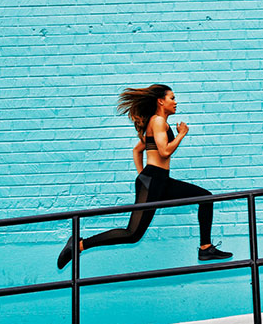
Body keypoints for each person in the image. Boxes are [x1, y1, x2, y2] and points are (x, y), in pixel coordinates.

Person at [57, 84, 232, 269]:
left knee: (206, 198)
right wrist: (181, 135)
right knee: (132, 234)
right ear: (160, 101)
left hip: (159, 180)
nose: (175, 102)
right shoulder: (157, 121)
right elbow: (164, 152)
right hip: (153, 180)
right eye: (172, 98)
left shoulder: (158, 123)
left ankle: (206, 247)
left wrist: (143, 174)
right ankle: (80, 245)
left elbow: (138, 150)